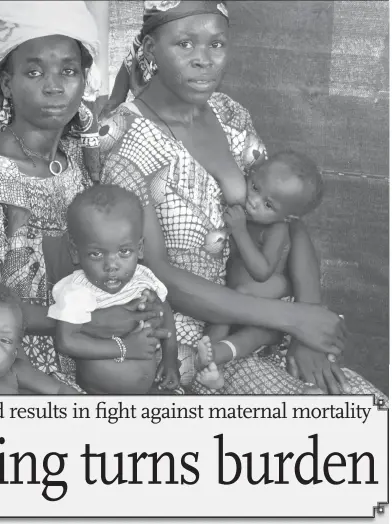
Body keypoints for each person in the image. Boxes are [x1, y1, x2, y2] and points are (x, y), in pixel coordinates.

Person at [99, 0, 387, 400]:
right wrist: (291, 317)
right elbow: (154, 271)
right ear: (149, 48)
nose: (204, 60)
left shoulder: (231, 114)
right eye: (184, 44)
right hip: (186, 338)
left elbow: (286, 219)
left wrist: (308, 324)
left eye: (216, 45)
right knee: (309, 422)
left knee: (369, 409)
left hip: (266, 322)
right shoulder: (121, 139)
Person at [0, 1, 170, 389]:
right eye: (34, 72)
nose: (54, 86)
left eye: (68, 70)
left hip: (96, 357)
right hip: (13, 368)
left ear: (84, 79)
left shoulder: (85, 167)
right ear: (6, 83)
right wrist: (93, 322)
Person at [196, 151, 325, 390]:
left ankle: (218, 357)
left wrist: (240, 231)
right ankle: (213, 368)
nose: (254, 201)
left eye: (268, 204)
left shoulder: (276, 229)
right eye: (255, 187)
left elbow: (262, 271)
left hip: (270, 303)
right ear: (251, 174)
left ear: (289, 217)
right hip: (237, 298)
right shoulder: (248, 212)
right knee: (222, 318)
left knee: (246, 329)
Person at [48, 184, 180, 394]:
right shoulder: (78, 292)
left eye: (125, 252)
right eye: (96, 254)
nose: (111, 265)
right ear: (75, 252)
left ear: (140, 248)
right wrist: (125, 348)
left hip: (149, 389)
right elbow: (66, 341)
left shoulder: (143, 279)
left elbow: (164, 313)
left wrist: (170, 357)